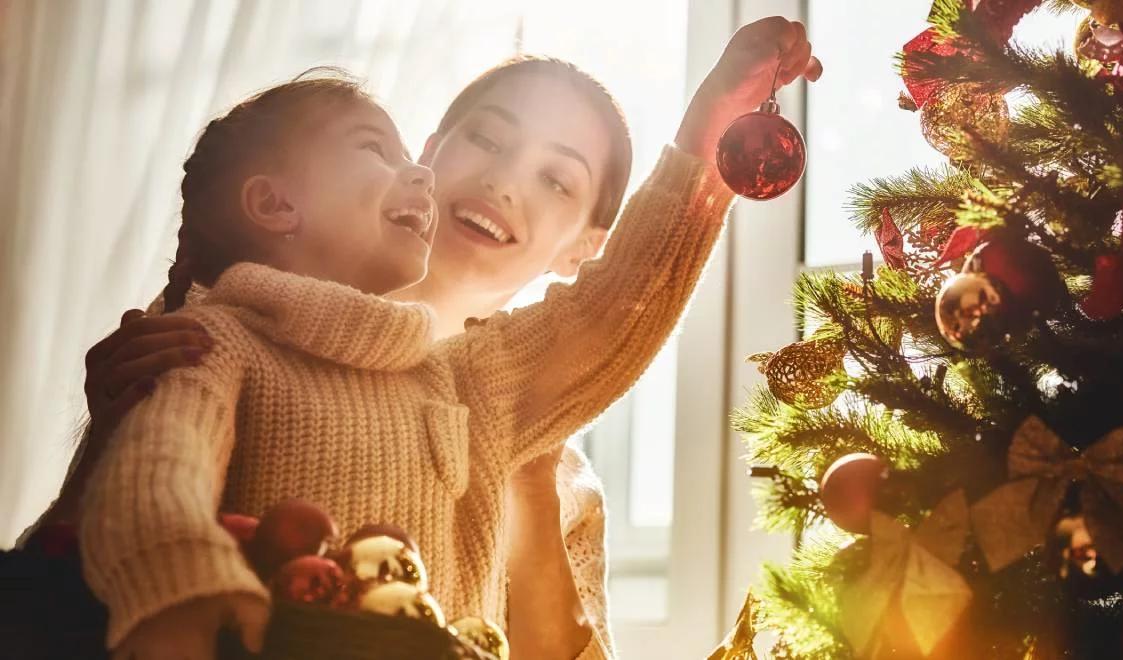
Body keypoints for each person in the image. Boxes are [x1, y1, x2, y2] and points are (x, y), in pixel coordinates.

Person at [42, 17, 820, 660]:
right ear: (430, 151)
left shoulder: (504, 405)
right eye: (487, 140)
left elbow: (615, 310)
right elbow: (104, 540)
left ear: (585, 247)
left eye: (558, 178)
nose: (505, 182)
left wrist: (710, 140)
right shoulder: (212, 335)